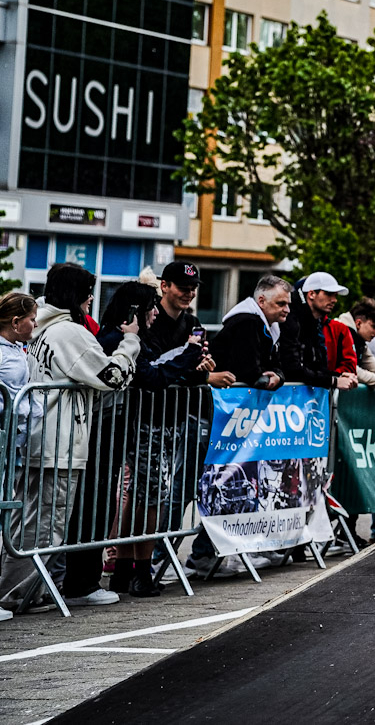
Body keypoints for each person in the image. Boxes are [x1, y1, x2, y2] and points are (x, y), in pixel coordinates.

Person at [60, 279, 213, 600]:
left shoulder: (137, 336)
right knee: (125, 500)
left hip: (121, 428)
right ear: (135, 311)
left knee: (119, 500)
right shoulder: (118, 338)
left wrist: (193, 365)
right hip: (111, 428)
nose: (155, 313)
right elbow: (152, 377)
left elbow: (162, 369)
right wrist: (189, 353)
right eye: (150, 308)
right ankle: (104, 578)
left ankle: (118, 572)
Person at [0, 263, 138, 614]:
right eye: (88, 292)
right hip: (58, 444)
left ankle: (24, 592)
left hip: (36, 438)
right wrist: (130, 343)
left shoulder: (39, 329)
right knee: (46, 526)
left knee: (26, 523)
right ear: (77, 295)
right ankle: (12, 595)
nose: (91, 299)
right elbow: (111, 376)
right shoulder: (69, 332)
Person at [0, 293, 37, 624]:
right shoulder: (3, 353)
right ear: (15, 322)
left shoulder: (17, 350)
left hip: (13, 444)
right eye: (31, 320)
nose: (35, 325)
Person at [279, 273, 355, 392]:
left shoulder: (313, 321)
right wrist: (333, 381)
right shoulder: (290, 318)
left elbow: (313, 366)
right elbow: (292, 368)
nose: (334, 300)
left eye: (335, 295)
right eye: (328, 294)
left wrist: (337, 376)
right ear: (311, 294)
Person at [213, 275, 293, 388]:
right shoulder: (247, 323)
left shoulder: (269, 326)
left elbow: (275, 365)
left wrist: (278, 376)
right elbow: (249, 370)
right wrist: (275, 376)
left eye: (288, 304)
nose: (287, 310)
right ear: (261, 301)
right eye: (281, 304)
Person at [330, 297, 375, 397]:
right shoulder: (339, 334)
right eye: (374, 327)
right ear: (358, 323)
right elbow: (353, 371)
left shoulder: (360, 341)